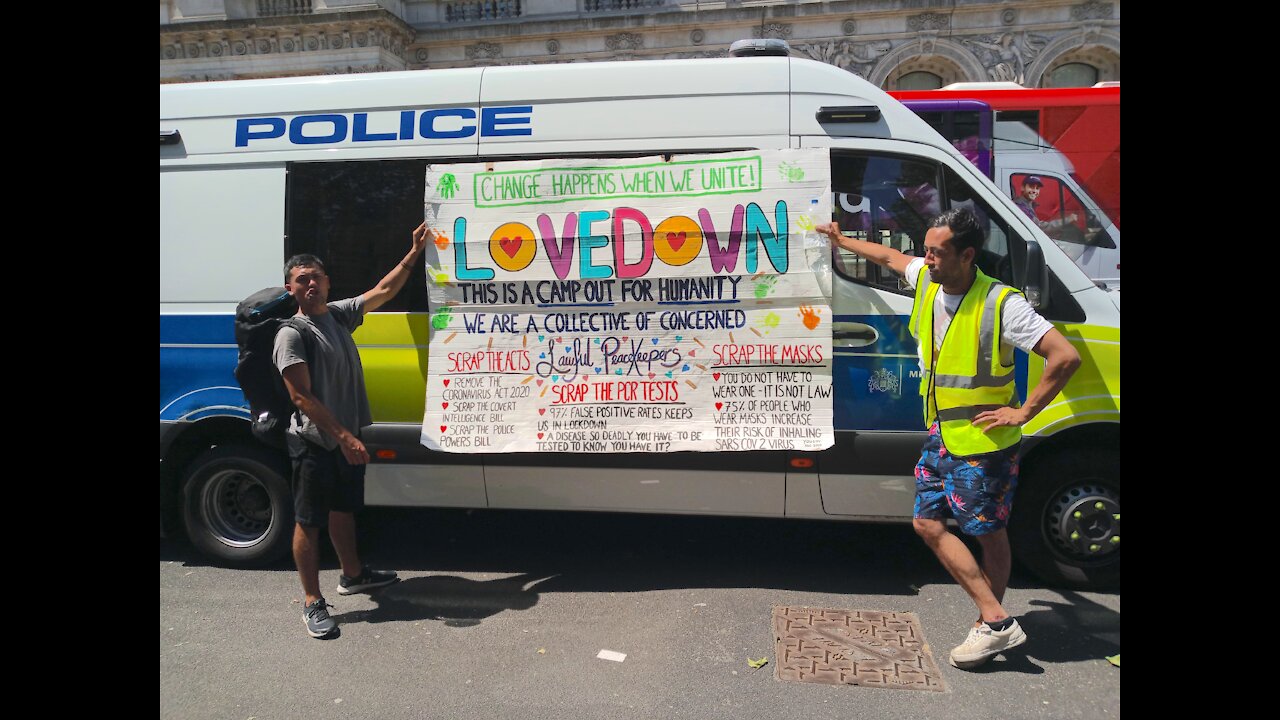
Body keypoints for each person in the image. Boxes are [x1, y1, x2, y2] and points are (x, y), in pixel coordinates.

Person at [815, 208, 1081, 669]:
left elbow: (1064, 356)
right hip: (942, 435)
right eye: (927, 251)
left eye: (937, 253)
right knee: (928, 524)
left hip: (982, 444)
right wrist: (843, 242)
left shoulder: (1002, 304)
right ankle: (996, 620)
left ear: (967, 255)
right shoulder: (929, 281)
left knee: (988, 534)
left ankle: (991, 626)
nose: (927, 259)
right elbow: (890, 256)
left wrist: (1024, 411)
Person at [274, 221, 431, 638]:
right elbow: (301, 398)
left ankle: (353, 575)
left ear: (327, 283)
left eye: (316, 277)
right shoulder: (292, 333)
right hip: (314, 441)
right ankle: (312, 602)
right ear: (290, 289)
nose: (310, 284)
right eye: (301, 280)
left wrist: (413, 252)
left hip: (345, 440)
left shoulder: (339, 315)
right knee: (308, 520)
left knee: (343, 510)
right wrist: (344, 437)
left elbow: (384, 290)